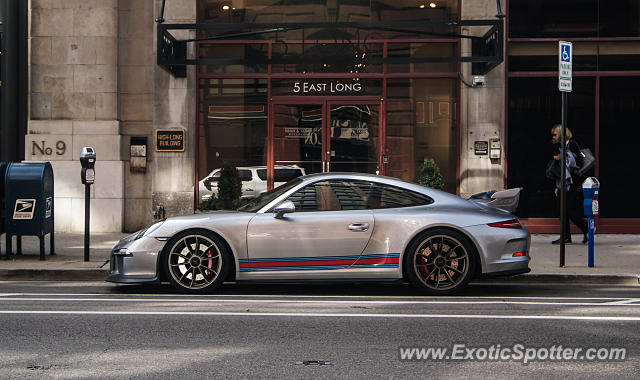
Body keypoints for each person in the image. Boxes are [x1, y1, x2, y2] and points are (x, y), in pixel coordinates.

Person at [550, 124, 588, 244]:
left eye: (555, 134)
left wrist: (562, 158)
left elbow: (578, 163)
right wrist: (557, 186)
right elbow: (560, 168)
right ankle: (566, 236)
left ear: (561, 134)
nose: (553, 137)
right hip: (562, 183)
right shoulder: (560, 146)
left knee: (568, 209)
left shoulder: (572, 145)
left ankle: (586, 228)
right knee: (561, 209)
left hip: (572, 183)